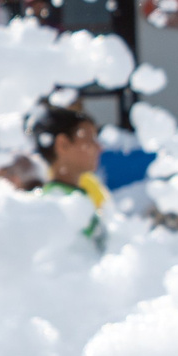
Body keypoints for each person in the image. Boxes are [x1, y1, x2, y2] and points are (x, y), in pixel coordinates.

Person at [30, 103, 106, 248]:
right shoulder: (57, 206)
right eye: (90, 140)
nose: (99, 147)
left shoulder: (69, 197)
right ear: (63, 144)